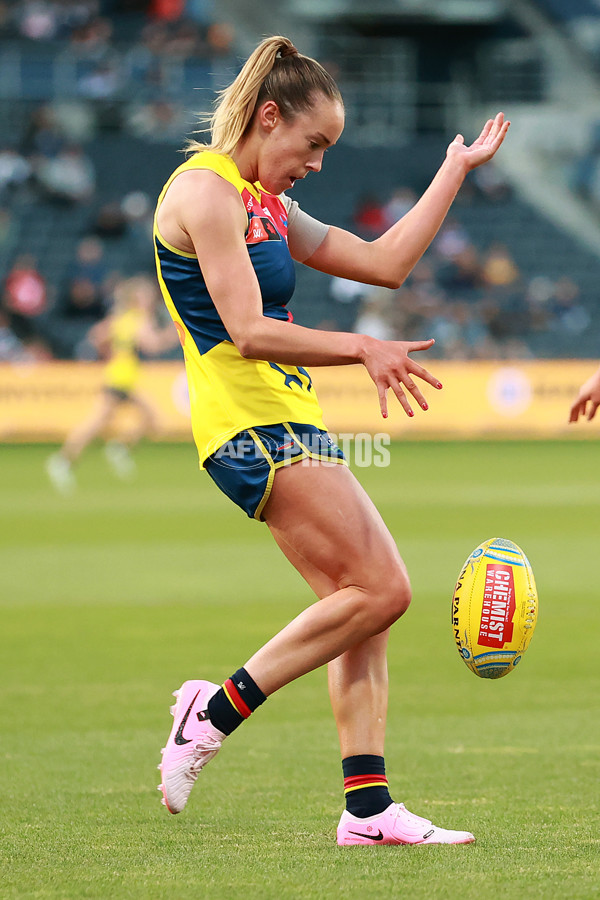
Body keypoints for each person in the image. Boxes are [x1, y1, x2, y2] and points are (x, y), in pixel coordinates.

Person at [153, 35, 509, 846]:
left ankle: (368, 810)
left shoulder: (266, 205)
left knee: (361, 610)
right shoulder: (204, 193)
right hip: (248, 426)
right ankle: (210, 713)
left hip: (288, 420)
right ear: (268, 117)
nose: (316, 163)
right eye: (312, 144)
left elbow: (384, 264)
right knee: (385, 589)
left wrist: (453, 169)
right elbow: (244, 329)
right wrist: (360, 348)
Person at [46, 274, 177, 492]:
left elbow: (97, 335)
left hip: (121, 376)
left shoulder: (122, 317)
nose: (150, 300)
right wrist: (176, 334)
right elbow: (152, 346)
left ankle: (117, 449)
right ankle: (63, 461)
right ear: (136, 298)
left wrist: (111, 352)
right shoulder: (139, 319)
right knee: (96, 422)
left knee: (149, 418)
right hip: (121, 378)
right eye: (145, 296)